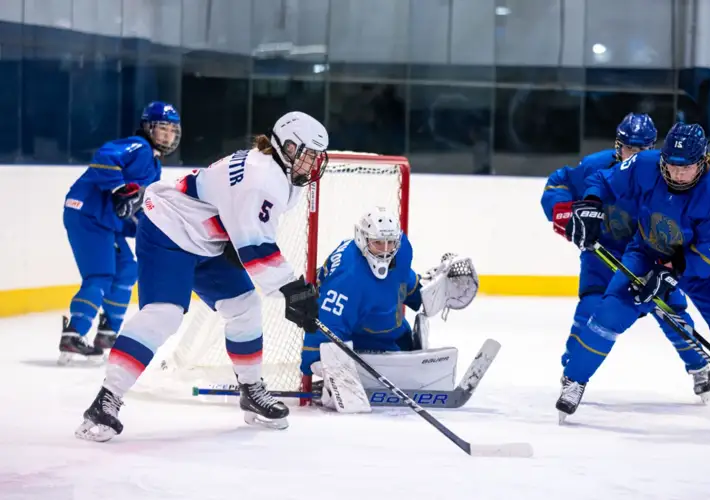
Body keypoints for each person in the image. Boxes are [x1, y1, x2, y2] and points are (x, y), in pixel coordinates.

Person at [75, 111, 328, 442]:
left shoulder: (275, 172)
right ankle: (106, 400)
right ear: (286, 146)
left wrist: (287, 288)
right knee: (163, 315)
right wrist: (292, 291)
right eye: (305, 154)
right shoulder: (261, 176)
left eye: (315, 157)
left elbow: (248, 232)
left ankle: (251, 389)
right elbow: (256, 248)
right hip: (170, 229)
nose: (310, 164)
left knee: (244, 305)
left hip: (208, 240)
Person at [557, 122, 710, 426]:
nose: (676, 174)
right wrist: (590, 204)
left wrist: (672, 271)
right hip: (647, 254)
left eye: (685, 168)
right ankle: (574, 379)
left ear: (702, 161)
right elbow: (603, 180)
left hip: (709, 272)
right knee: (607, 315)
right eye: (670, 166)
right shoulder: (645, 164)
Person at [542, 113, 710, 401]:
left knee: (673, 315)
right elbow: (558, 183)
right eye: (627, 148)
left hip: (649, 257)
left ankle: (698, 365)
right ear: (617, 145)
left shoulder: (663, 175)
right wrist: (567, 214)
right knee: (590, 309)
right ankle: (572, 374)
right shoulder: (595, 167)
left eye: (641, 150)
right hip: (602, 255)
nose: (632, 155)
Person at [299, 206, 479, 413]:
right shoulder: (348, 279)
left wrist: (424, 293)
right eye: (378, 243)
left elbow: (399, 279)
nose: (385, 250)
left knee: (406, 347)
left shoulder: (401, 250)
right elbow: (328, 322)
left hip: (391, 330)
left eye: (390, 243)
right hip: (362, 342)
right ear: (362, 239)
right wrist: (322, 364)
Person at [61, 102, 181, 363]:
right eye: (162, 128)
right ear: (148, 127)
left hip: (104, 221)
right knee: (100, 275)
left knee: (126, 268)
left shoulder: (154, 165)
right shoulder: (138, 147)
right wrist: (119, 189)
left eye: (171, 130)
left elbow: (133, 210)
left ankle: (107, 333)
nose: (167, 135)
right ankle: (73, 335)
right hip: (86, 213)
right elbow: (105, 156)